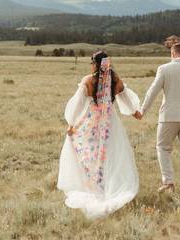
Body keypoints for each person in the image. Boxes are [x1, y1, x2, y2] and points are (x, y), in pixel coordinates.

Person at [57, 51, 141, 219]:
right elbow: (125, 97)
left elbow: (77, 105)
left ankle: (92, 186)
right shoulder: (115, 80)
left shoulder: (88, 81)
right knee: (109, 155)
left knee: (89, 153)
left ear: (95, 64)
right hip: (110, 124)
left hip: (91, 123)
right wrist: (134, 112)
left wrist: (71, 123)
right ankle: (105, 186)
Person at [134, 42, 180, 193]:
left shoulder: (164, 69)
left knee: (162, 148)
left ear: (172, 54)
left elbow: (152, 92)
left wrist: (142, 110)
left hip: (168, 116)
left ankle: (168, 182)